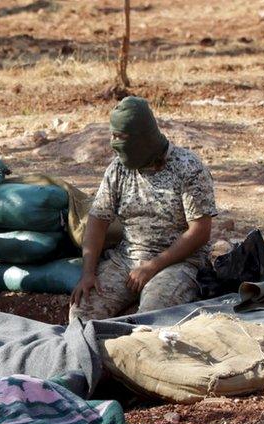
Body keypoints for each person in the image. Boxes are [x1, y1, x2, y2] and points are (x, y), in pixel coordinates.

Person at [70, 96, 217, 322]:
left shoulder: (187, 167)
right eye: (113, 135)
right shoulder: (118, 169)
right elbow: (97, 221)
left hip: (178, 264)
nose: (114, 143)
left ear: (142, 137)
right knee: (82, 313)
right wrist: (88, 273)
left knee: (152, 317)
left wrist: (152, 266)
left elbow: (200, 231)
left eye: (121, 137)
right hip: (127, 260)